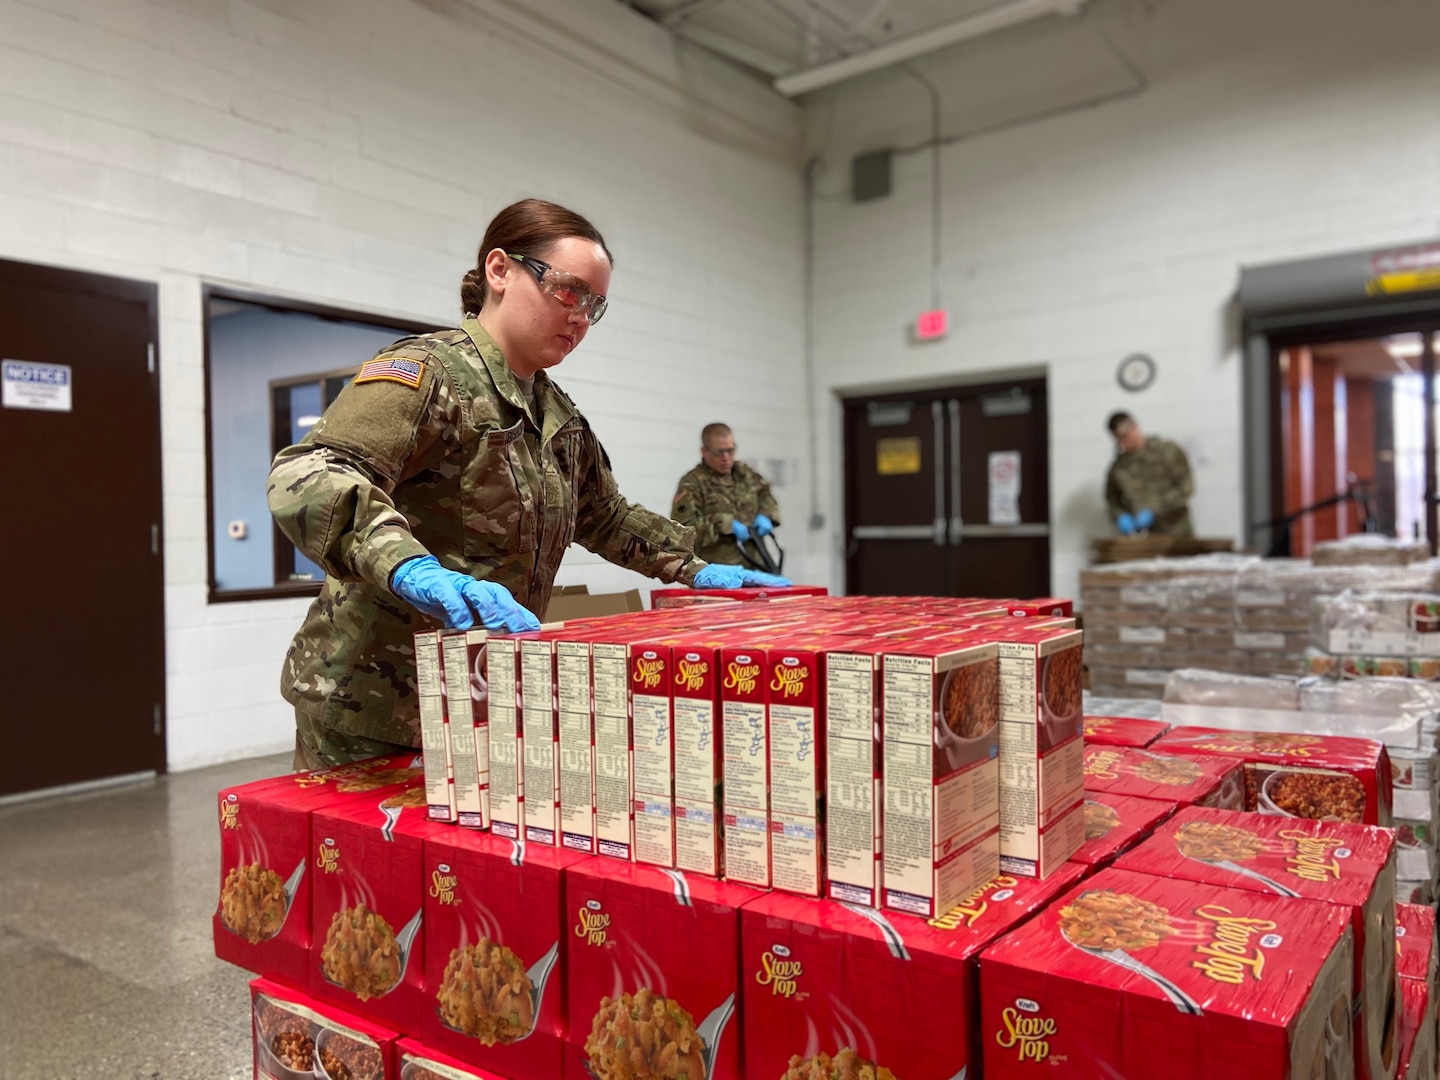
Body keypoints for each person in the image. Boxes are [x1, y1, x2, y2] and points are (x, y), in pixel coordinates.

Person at [268, 199, 788, 769]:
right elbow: (310, 472)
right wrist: (407, 565)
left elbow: (604, 515)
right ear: (500, 271)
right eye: (569, 291)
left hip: (477, 693)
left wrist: (694, 565)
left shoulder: (556, 414)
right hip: (370, 700)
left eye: (595, 304)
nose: (581, 317)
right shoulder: (430, 375)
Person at [671, 424, 781, 566]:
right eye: (719, 452)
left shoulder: (745, 474)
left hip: (756, 566)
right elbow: (681, 532)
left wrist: (766, 514)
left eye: (730, 450)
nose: (726, 458)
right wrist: (722, 523)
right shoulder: (692, 483)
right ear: (704, 451)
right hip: (717, 573)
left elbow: (766, 496)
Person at [1104, 411, 1194, 537]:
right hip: (1143, 537)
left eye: (1125, 436)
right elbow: (1112, 499)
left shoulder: (1167, 452)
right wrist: (1120, 516)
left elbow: (1186, 488)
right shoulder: (1118, 468)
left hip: (1177, 533)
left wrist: (1154, 509)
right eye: (1118, 439)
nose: (1122, 443)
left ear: (1135, 427)